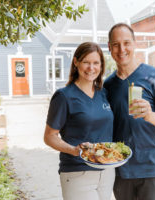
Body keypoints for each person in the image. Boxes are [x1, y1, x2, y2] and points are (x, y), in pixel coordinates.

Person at [104, 23, 155, 200]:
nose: (122, 49)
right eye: (116, 44)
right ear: (109, 48)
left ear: (135, 44)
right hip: (122, 171)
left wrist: (150, 115)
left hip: (152, 170)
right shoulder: (107, 86)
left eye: (126, 43)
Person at [44, 42, 115, 200]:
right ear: (76, 62)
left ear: (101, 65)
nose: (91, 68)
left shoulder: (103, 93)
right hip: (78, 172)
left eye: (96, 63)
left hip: (107, 172)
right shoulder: (64, 96)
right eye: (86, 62)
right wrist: (75, 150)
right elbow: (49, 136)